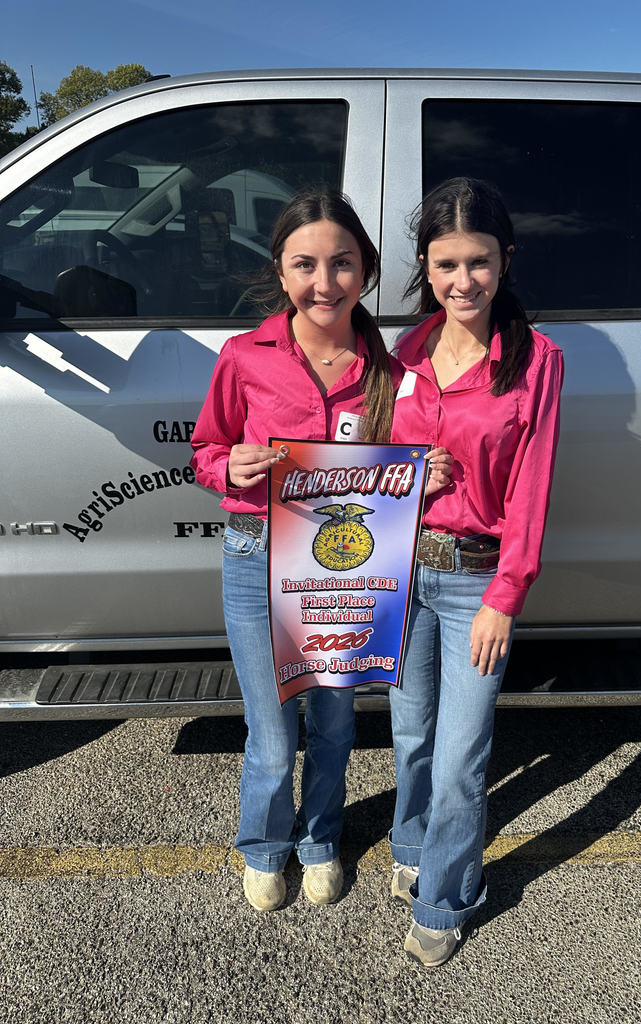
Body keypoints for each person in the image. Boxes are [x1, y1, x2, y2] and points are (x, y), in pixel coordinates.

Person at [190, 187, 401, 912]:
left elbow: (401, 476)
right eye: (304, 264)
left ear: (365, 270)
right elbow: (206, 449)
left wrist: (426, 473)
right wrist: (230, 466)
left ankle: (319, 841)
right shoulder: (245, 357)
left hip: (346, 567)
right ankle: (264, 845)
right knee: (273, 733)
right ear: (280, 271)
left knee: (336, 723)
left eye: (341, 264)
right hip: (256, 555)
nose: (323, 282)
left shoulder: (392, 371)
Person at [388, 177, 564, 966]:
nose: (464, 281)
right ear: (426, 266)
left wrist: (506, 595)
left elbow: (532, 485)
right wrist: (402, 472)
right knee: (410, 734)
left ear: (505, 261)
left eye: (480, 262)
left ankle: (448, 894)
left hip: (474, 584)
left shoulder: (535, 360)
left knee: (462, 755)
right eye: (447, 263)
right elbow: (369, 461)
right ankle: (412, 841)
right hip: (404, 571)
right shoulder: (405, 353)